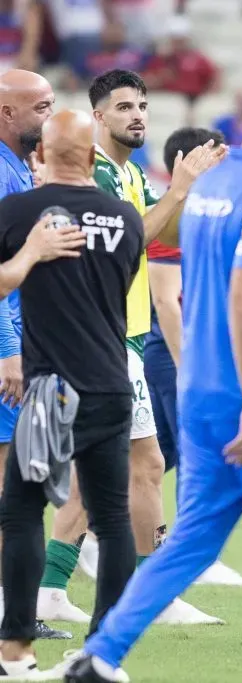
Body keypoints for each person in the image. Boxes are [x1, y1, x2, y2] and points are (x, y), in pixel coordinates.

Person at [64, 69, 242, 683]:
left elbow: (218, 257)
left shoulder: (216, 185)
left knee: (191, 541)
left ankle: (100, 656)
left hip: (200, 395)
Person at [38, 69, 225, 626]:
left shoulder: (132, 173)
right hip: (106, 335)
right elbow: (128, 236)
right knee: (147, 463)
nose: (137, 114)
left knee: (101, 468)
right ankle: (154, 592)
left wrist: (208, 201)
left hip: (124, 335)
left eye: (142, 104)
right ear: (98, 117)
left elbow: (162, 237)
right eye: (123, 107)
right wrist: (182, 189)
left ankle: (50, 586)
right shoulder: (91, 172)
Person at [0, 108, 142, 679]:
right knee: (112, 520)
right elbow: (118, 283)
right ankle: (103, 653)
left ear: (39, 156)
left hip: (50, 391)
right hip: (110, 385)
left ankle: (15, 650)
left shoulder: (16, 213)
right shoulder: (126, 219)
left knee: (22, 512)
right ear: (92, 157)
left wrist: (32, 253)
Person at [142, 126, 242, 588]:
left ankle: (86, 531)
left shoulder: (206, 215)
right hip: (174, 355)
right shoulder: (175, 217)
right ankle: (196, 557)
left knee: (158, 454)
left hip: (189, 352)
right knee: (197, 454)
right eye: (216, 157)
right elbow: (166, 301)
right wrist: (190, 370)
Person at [0, 68, 73, 641]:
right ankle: (12, 615)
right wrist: (9, 351)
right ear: (8, 114)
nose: (50, 116)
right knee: (12, 485)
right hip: (9, 356)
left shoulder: (18, 171)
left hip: (28, 346)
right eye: (42, 107)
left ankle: (14, 609)